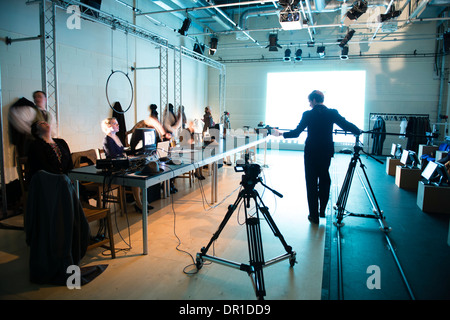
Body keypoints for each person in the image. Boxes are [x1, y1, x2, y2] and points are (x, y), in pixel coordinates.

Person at [272, 90, 362, 224]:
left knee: (311, 182)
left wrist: (280, 134)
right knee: (325, 179)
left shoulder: (308, 114)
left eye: (309, 101)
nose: (309, 104)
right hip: (326, 151)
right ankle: (322, 211)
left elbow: (296, 133)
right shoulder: (332, 113)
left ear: (314, 100)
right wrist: (358, 131)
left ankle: (313, 216)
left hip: (311, 152)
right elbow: (346, 125)